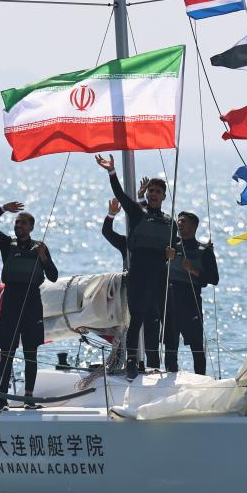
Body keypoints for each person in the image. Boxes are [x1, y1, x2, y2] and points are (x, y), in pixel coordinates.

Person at [95, 154, 176, 380]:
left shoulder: (170, 222)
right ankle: (131, 361)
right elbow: (121, 195)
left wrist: (173, 252)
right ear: (147, 194)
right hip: (139, 273)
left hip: (160, 273)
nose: (153, 194)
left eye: (157, 191)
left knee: (168, 320)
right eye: (151, 191)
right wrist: (111, 172)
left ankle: (172, 363)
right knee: (137, 316)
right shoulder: (138, 213)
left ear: (163, 196)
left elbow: (176, 245)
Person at [0, 201, 59, 413]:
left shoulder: (40, 248)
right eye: (17, 222)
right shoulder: (7, 244)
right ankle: (2, 398)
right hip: (11, 301)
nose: (18, 225)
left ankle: (28, 397)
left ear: (31, 227)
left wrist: (44, 259)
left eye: (23, 223)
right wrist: (3, 209)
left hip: (32, 303)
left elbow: (53, 276)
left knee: (30, 352)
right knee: (7, 352)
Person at [164, 212, 219, 374]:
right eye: (179, 221)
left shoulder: (204, 250)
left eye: (184, 221)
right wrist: (166, 257)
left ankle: (201, 378)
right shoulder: (170, 247)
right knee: (170, 344)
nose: (179, 224)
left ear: (194, 226)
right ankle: (170, 376)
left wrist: (193, 270)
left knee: (196, 344)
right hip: (170, 299)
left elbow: (214, 279)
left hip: (191, 300)